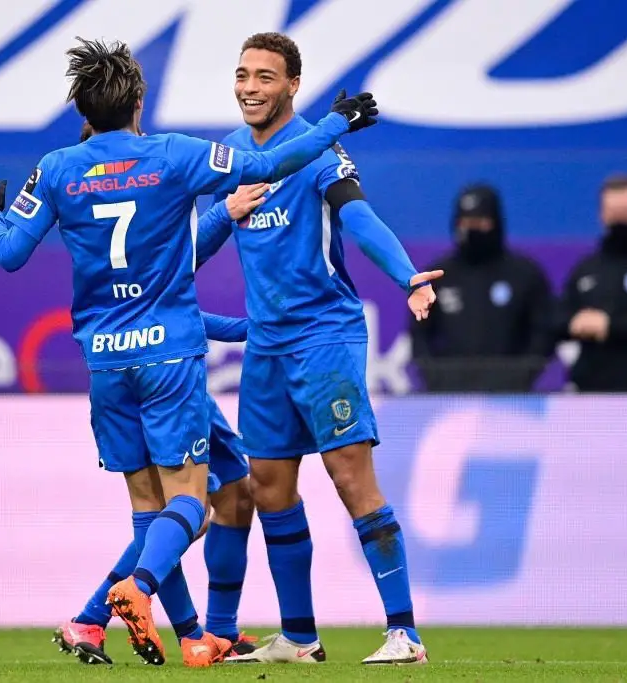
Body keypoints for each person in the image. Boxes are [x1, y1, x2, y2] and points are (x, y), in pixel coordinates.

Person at [0, 37, 378, 666]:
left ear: (81, 107)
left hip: (106, 361)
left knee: (151, 507)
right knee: (192, 502)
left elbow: (7, 253)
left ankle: (184, 633)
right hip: (169, 361)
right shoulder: (174, 155)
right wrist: (335, 123)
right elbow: (273, 162)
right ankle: (132, 594)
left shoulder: (55, 168)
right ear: (137, 102)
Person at [193, 32, 438, 665]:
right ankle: (300, 639)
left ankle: (404, 633)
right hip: (266, 346)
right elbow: (194, 246)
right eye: (242, 75)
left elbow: (358, 216)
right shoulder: (229, 156)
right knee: (269, 487)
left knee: (350, 476)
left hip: (325, 335)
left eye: (265, 77)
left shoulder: (321, 150)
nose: (250, 87)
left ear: (293, 85)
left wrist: (407, 276)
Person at [51, 125, 258, 669]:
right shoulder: (149, 183)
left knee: (226, 496)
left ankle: (198, 631)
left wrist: (247, 328)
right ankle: (171, 628)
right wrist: (224, 213)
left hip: (148, 365)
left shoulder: (95, 196)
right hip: (169, 371)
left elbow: (177, 298)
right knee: (187, 510)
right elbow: (180, 275)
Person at [411, 184, 555, 392]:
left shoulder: (524, 275)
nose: (472, 230)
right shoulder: (439, 277)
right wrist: (436, 378)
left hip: (511, 398)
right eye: (465, 222)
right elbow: (419, 334)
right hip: (450, 396)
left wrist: (521, 377)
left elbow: (542, 333)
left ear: (496, 223)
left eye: (480, 222)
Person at [557, 174, 627, 391]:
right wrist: (575, 321)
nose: (620, 222)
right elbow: (558, 315)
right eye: (614, 214)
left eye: (626, 213)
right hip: (592, 393)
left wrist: (610, 325)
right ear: (602, 215)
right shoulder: (587, 269)